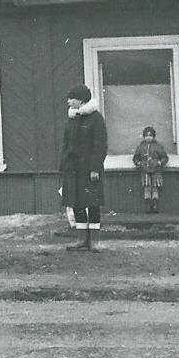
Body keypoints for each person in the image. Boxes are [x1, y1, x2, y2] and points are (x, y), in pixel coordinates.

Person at [61, 83, 107, 251]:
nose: (68, 102)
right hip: (73, 169)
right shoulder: (72, 119)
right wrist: (64, 163)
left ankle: (94, 241)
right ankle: (81, 239)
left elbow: (100, 145)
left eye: (71, 98)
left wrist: (95, 168)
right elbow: (66, 144)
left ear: (80, 100)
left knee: (92, 203)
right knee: (76, 202)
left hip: (89, 169)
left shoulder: (96, 119)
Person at [132, 126, 170, 214]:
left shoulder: (158, 146)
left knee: (155, 187)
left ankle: (155, 205)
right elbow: (136, 158)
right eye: (146, 135)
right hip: (145, 170)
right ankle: (148, 205)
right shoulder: (141, 147)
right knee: (147, 187)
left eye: (150, 135)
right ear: (144, 136)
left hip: (156, 169)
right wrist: (138, 163)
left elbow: (164, 157)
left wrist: (160, 163)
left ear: (153, 136)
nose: (148, 137)